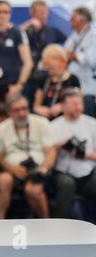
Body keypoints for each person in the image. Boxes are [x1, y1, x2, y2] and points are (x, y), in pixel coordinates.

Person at [0, 94, 56, 219]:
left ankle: (47, 224)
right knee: (3, 179)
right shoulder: (2, 128)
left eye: (24, 108)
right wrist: (12, 169)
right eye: (17, 110)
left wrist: (43, 169)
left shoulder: (41, 123)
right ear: (9, 112)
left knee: (32, 190)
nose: (22, 113)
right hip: (13, 169)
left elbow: (51, 151)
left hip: (38, 169)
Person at [51, 88, 96, 218]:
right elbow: (48, 154)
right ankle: (61, 226)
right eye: (73, 104)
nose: (78, 107)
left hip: (87, 173)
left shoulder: (92, 123)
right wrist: (60, 145)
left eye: (79, 103)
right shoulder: (54, 126)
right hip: (63, 172)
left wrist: (84, 154)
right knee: (66, 184)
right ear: (63, 106)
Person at [0, 0, 33, 110]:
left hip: (11, 86)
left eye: (5, 12)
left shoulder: (17, 33)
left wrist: (19, 85)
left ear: (10, 14)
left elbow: (28, 62)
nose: (2, 15)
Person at [64, 7, 96, 117]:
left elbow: (91, 60)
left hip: (88, 87)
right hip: (72, 84)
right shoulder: (74, 35)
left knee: (88, 116)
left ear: (82, 20)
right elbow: (65, 51)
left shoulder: (93, 35)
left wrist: (73, 56)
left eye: (73, 19)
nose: (70, 21)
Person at [33, 44, 80, 120]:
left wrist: (62, 106)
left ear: (62, 63)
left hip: (65, 119)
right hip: (45, 119)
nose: (48, 69)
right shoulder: (43, 79)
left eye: (51, 66)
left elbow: (78, 103)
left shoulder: (73, 80)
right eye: (47, 66)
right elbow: (36, 105)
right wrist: (40, 109)